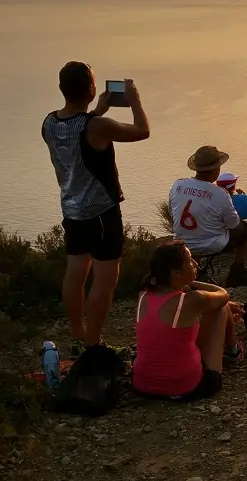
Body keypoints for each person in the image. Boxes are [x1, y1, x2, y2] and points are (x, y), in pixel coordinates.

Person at [42, 62, 150, 354]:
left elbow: (78, 135)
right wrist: (134, 101)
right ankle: (93, 344)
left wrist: (96, 110)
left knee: (74, 276)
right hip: (101, 213)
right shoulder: (97, 126)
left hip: (72, 211)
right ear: (91, 89)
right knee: (104, 281)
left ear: (62, 89)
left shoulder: (49, 123)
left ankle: (78, 335)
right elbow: (142, 131)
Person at [132, 241, 243, 401]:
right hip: (185, 388)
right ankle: (233, 351)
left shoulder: (143, 294)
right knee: (221, 307)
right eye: (190, 261)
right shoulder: (194, 300)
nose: (195, 264)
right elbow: (222, 294)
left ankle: (228, 351)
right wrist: (190, 282)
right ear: (176, 272)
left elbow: (174, 296)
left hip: (143, 385)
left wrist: (182, 283)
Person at [169, 146, 247, 286]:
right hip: (211, 245)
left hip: (182, 244)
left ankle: (194, 274)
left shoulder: (177, 185)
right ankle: (238, 273)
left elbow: (173, 214)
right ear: (216, 169)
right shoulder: (220, 193)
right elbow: (233, 224)